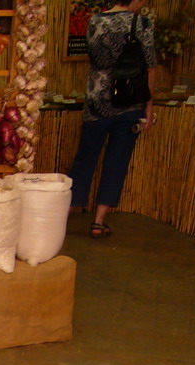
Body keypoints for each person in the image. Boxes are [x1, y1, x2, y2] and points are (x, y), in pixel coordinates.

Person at [68, 0, 156, 239]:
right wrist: (149, 107)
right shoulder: (142, 24)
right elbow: (149, 68)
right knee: (117, 161)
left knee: (85, 158)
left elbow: (95, 58)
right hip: (130, 101)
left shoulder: (95, 21)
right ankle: (98, 222)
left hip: (97, 102)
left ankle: (64, 215)